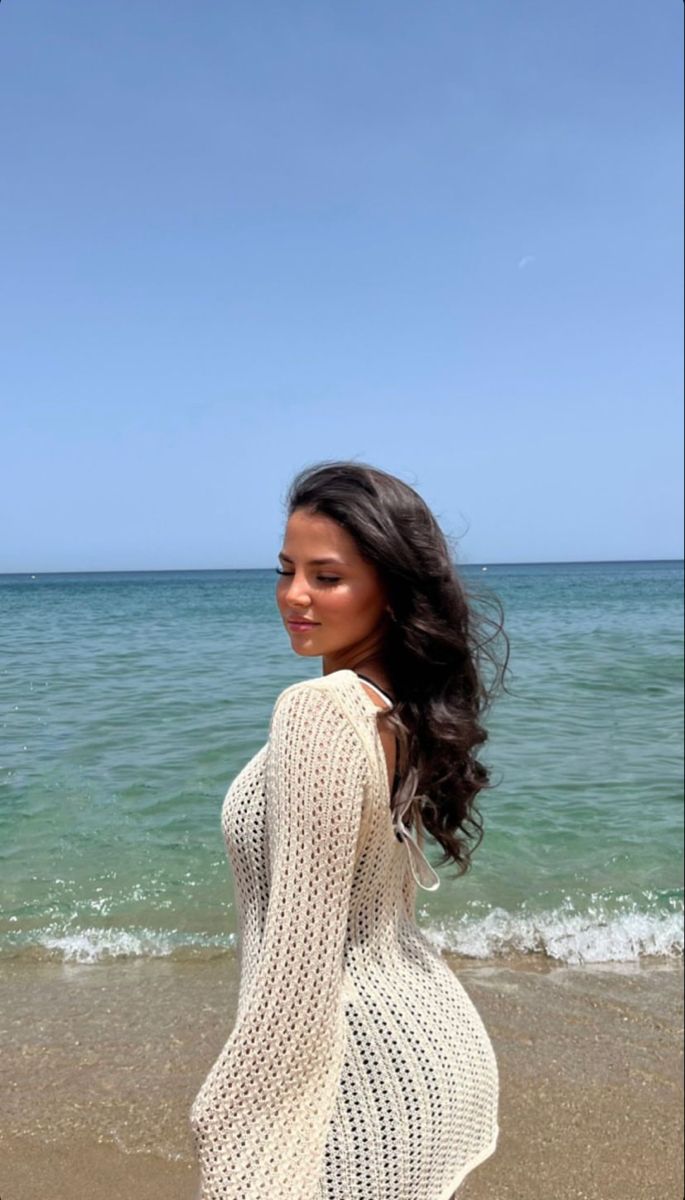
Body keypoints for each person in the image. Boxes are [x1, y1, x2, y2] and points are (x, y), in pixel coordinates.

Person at [189, 460, 509, 1200]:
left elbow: (299, 969)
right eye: (285, 570)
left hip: (361, 1085)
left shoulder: (320, 714)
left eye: (326, 577)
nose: (293, 596)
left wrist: (235, 1128)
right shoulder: (397, 710)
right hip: (428, 1054)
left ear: (391, 589)